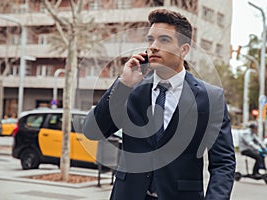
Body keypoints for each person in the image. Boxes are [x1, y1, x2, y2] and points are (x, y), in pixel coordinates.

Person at [83, 9, 235, 200]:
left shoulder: (211, 98)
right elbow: (92, 131)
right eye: (150, 40)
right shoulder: (131, 89)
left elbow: (223, 163)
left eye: (164, 40)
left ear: (184, 49)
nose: (153, 46)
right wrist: (123, 84)